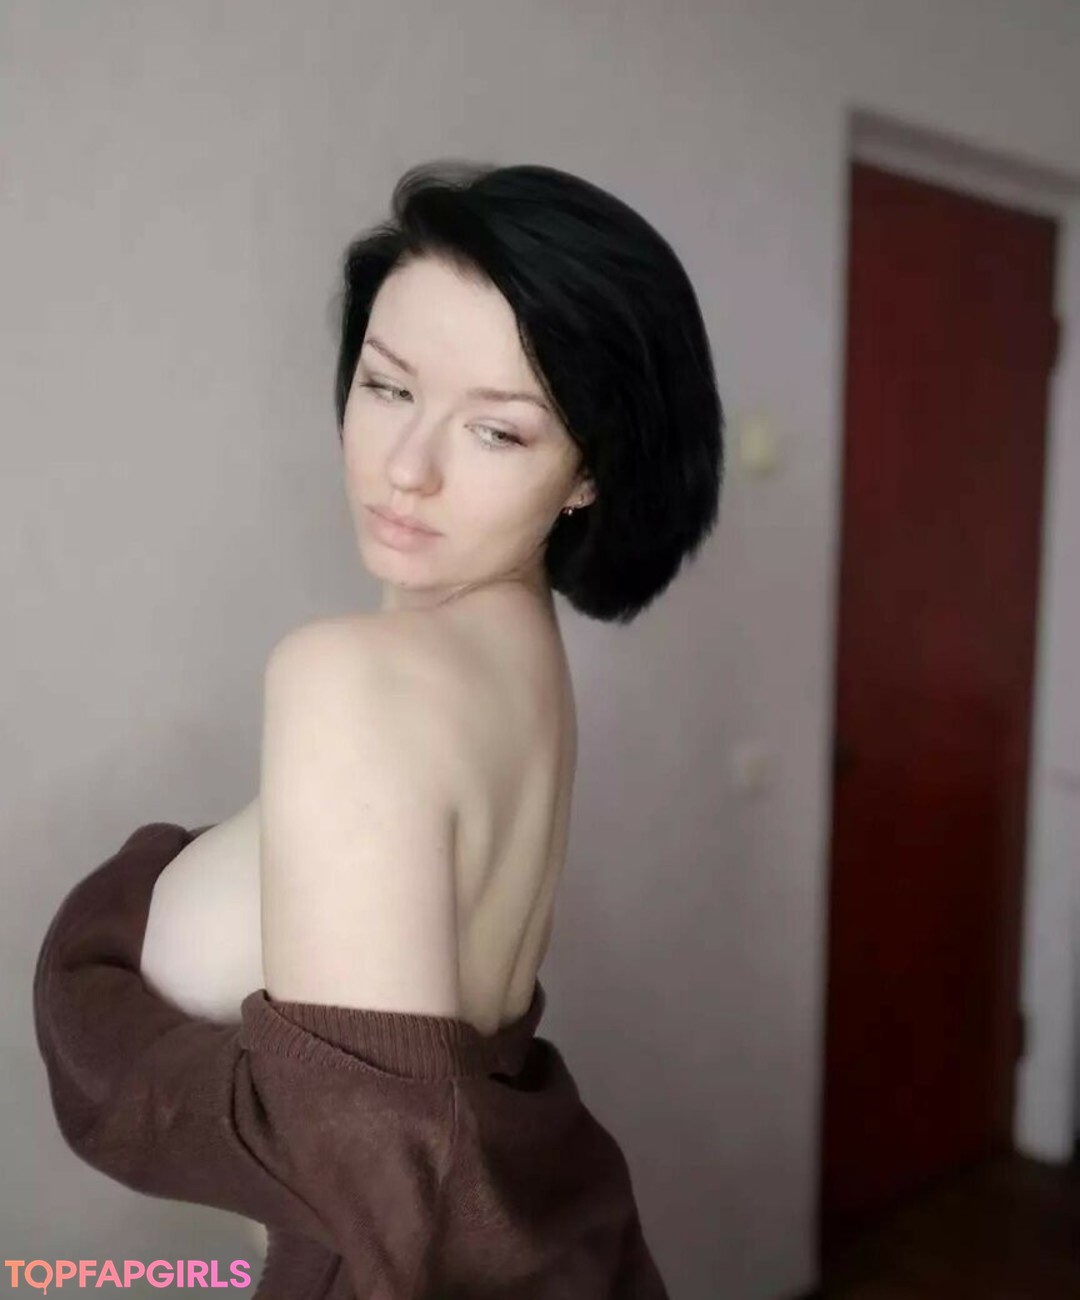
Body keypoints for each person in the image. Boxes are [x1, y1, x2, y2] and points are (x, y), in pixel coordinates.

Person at [34, 159, 724, 1298]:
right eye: (389, 386)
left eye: (496, 431)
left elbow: (384, 1195)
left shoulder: (354, 681)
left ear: (588, 472)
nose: (406, 468)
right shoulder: (520, 663)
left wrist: (97, 989)